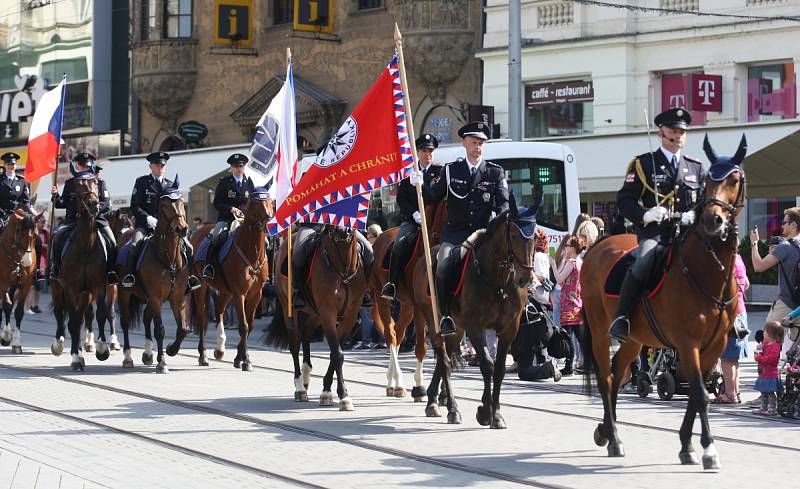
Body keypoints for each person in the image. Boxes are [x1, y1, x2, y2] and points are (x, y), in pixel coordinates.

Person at [609, 107, 704, 341]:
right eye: (673, 130)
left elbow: (703, 202)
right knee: (643, 261)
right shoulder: (643, 164)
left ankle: (727, 316)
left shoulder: (695, 167)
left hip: (687, 233)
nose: (678, 135)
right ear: (661, 133)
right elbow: (624, 200)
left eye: (682, 131)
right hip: (657, 233)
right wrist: (645, 214)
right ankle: (622, 317)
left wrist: (694, 215)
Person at [416, 121, 509, 335]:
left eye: (481, 143)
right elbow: (431, 197)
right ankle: (446, 313)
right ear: (464, 143)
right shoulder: (451, 170)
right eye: (474, 142)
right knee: (442, 265)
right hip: (456, 234)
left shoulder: (494, 173)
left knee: (510, 263)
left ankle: (514, 311)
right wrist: (419, 185)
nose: (478, 147)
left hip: (484, 234)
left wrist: (497, 217)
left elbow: (503, 203)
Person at [121, 151, 201, 290]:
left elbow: (177, 207)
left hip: (168, 228)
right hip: (145, 225)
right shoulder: (142, 182)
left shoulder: (170, 185)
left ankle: (190, 278)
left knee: (188, 247)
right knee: (134, 245)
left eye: (163, 165)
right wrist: (147, 218)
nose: (160, 168)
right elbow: (134, 205)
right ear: (150, 166)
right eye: (157, 165)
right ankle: (130, 276)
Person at [381, 133, 442, 300]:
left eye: (430, 150)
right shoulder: (409, 173)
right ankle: (392, 283)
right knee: (399, 244)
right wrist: (414, 214)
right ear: (417, 152)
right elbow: (401, 198)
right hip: (414, 221)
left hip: (436, 222)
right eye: (423, 150)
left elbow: (437, 197)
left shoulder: (441, 171)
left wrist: (423, 186)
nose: (427, 154)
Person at [49, 153, 119, 284]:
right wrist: (55, 196)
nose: (85, 168)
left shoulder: (99, 182)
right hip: (73, 220)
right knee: (57, 237)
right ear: (77, 166)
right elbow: (62, 203)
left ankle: (111, 271)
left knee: (112, 241)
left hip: (96, 219)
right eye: (82, 166)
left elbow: (106, 203)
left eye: (87, 166)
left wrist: (96, 208)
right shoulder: (70, 183)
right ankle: (56, 268)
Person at [750, 207, 800, 357]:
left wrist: (754, 244)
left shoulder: (785, 246)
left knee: (769, 338)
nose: (782, 226)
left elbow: (759, 266)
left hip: (786, 304)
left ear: (793, 225)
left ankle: (769, 378)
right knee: (796, 350)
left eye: (785, 222)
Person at [203, 153, 255, 280]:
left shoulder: (249, 182)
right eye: (236, 166)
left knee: (263, 239)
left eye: (241, 166)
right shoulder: (224, 182)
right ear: (231, 168)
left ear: (244, 167)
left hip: (244, 220)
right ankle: (210, 266)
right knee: (216, 237)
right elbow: (217, 203)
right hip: (226, 219)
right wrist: (230, 209)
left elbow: (252, 202)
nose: (238, 169)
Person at [713, 252, 750, 404]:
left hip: (730, 313)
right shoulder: (739, 258)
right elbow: (746, 283)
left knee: (727, 358)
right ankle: (735, 392)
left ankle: (729, 395)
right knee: (734, 358)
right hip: (741, 311)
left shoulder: (725, 260)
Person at [551, 235, 584, 376]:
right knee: (578, 335)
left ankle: (569, 366)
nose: (565, 247)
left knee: (568, 334)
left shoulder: (571, 262)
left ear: (573, 248)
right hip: (576, 301)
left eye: (568, 245)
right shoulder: (579, 261)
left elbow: (559, 279)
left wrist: (553, 264)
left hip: (568, 303)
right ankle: (587, 361)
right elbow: (565, 281)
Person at [752, 321, 784, 416]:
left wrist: (759, 358)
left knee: (770, 392)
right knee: (764, 392)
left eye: (765, 332)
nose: (763, 334)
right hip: (764, 373)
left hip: (771, 374)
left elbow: (772, 359)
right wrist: (759, 350)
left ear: (771, 334)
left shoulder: (776, 346)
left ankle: (772, 408)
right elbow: (760, 353)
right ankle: (764, 407)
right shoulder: (766, 344)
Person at [0, 152, 31, 223]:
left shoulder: (22, 181)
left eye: (13, 164)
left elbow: (26, 200)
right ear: (4, 165)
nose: (11, 166)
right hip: (1, 215)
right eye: (8, 164)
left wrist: (25, 211)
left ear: (16, 165)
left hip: (17, 214)